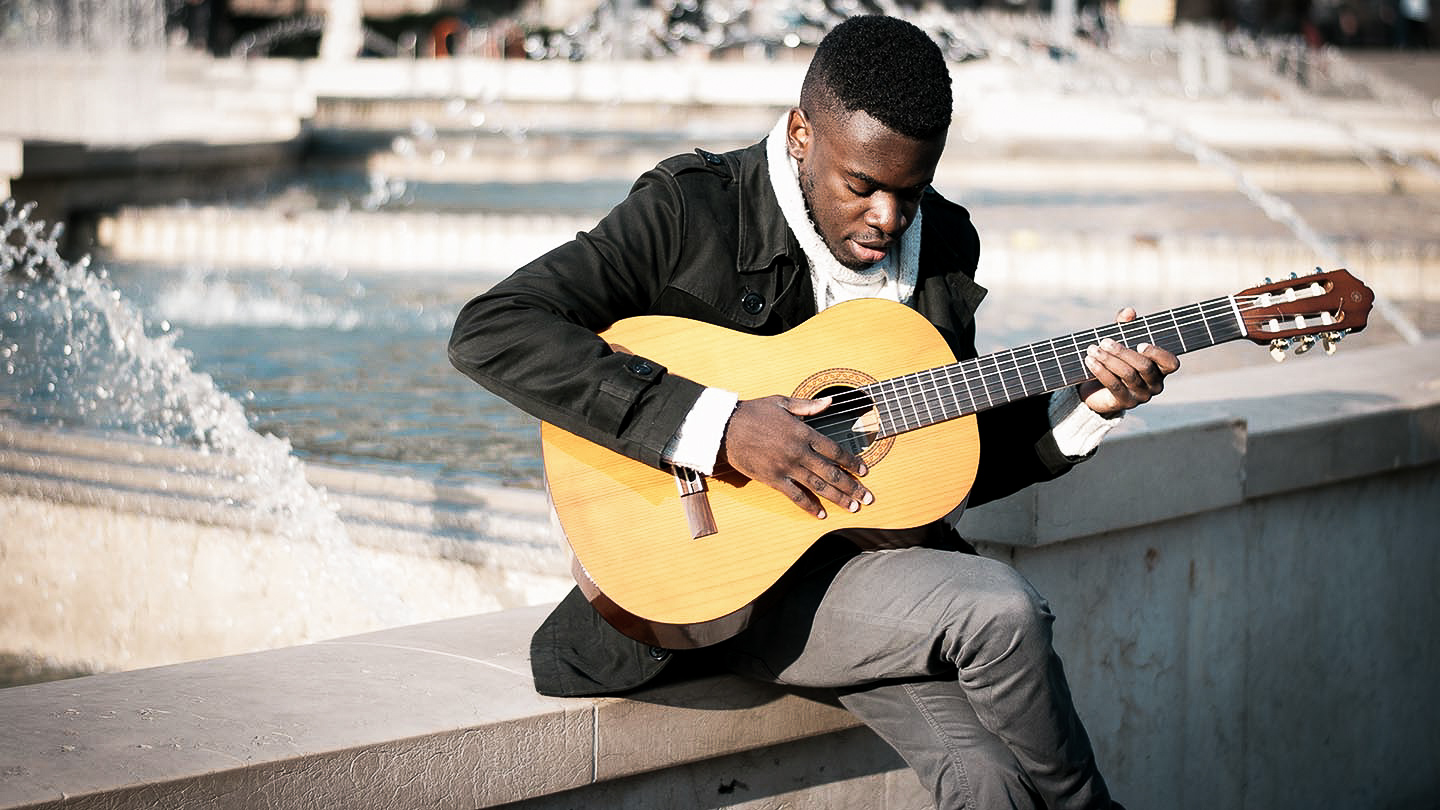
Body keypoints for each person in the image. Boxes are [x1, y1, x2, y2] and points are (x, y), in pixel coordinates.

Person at [449, 15, 1177, 809]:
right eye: (861, 186)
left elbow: (947, 455)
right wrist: (719, 425)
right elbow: (493, 328)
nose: (889, 218)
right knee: (1000, 610)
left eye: (912, 189)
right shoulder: (693, 212)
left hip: (860, 578)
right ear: (801, 134)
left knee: (988, 780)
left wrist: (1084, 405)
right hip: (717, 577)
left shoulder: (943, 244)